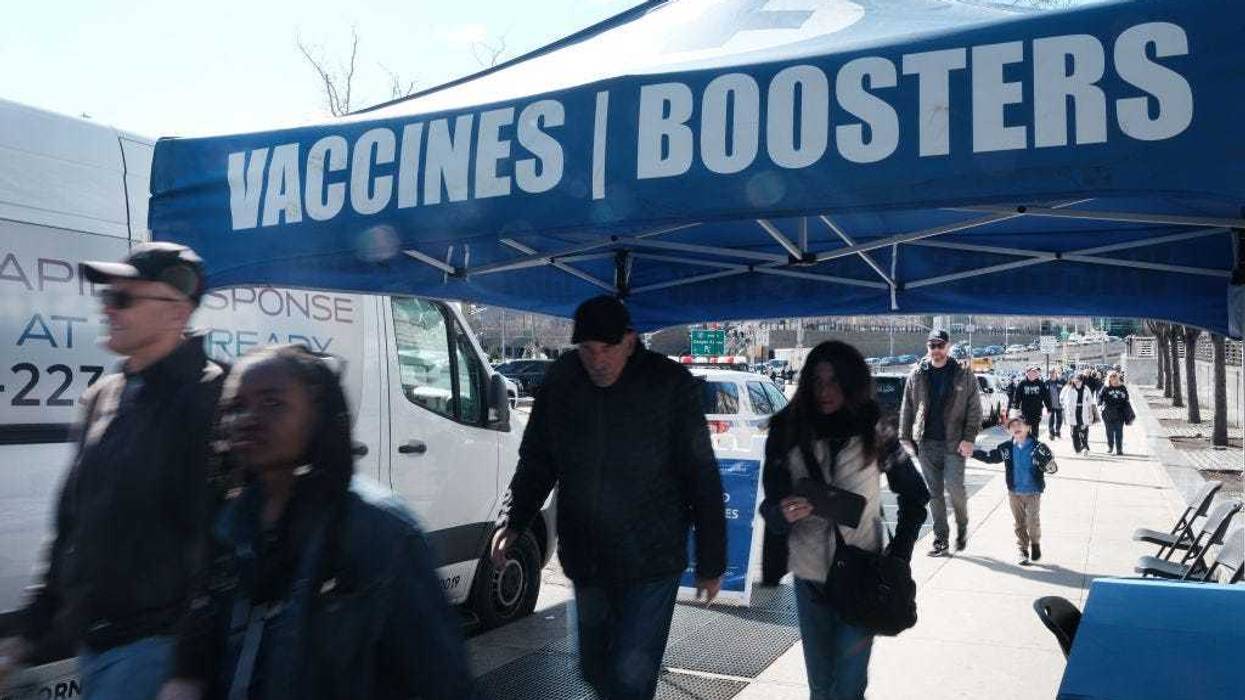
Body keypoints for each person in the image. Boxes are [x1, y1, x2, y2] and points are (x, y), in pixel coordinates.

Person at [163, 345, 472, 699]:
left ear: (317, 414)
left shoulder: (381, 532)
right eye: (236, 407)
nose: (248, 418)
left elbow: (442, 681)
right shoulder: (229, 527)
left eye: (272, 402)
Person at [0, 244, 223, 699]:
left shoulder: (212, 400)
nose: (107, 309)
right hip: (95, 646)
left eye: (124, 299)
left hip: (156, 654)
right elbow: (71, 527)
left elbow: (220, 550)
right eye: (106, 297)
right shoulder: (106, 395)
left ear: (176, 315)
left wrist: (187, 670)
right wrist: (26, 636)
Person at [490, 295, 726, 700]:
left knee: (631, 681)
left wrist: (712, 561)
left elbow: (701, 476)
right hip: (589, 556)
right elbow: (537, 460)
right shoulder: (563, 382)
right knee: (595, 668)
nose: (597, 360)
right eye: (587, 350)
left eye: (607, 349)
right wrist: (515, 520)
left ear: (630, 341)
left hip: (652, 559)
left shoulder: (670, 386)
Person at [760, 341, 929, 700]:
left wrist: (898, 556)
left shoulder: (875, 429)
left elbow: (915, 496)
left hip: (862, 576)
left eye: (835, 381)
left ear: (852, 383)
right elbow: (770, 508)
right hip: (810, 581)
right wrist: (782, 514)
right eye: (818, 381)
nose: (826, 391)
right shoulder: (786, 430)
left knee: (849, 688)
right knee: (821, 687)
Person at [899, 330, 983, 556]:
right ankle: (941, 539)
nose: (936, 350)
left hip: (954, 444)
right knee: (934, 494)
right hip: (927, 444)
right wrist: (905, 437)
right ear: (928, 347)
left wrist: (968, 439)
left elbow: (974, 410)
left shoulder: (964, 374)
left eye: (940, 345)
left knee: (955, 490)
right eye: (932, 345)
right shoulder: (917, 373)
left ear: (948, 346)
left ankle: (962, 526)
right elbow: (907, 406)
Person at [973, 416, 1057, 566]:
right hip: (1015, 493)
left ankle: (1035, 543)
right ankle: (1023, 550)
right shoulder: (1006, 448)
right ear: (1008, 430)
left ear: (1028, 427)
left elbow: (1051, 467)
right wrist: (973, 452)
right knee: (1019, 523)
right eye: (1012, 426)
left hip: (1033, 492)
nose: (1016, 427)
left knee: (1032, 522)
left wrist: (1050, 465)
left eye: (1020, 424)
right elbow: (990, 457)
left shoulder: (1038, 447)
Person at [1097, 370, 1135, 456]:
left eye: (1115, 377)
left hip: (1119, 412)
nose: (1113, 379)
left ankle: (1119, 449)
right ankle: (1110, 446)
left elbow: (1126, 398)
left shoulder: (1122, 387)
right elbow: (1100, 396)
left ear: (1117, 378)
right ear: (1109, 379)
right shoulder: (1106, 387)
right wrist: (1099, 405)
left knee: (1119, 431)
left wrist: (1126, 404)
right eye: (1111, 377)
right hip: (1108, 412)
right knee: (1109, 431)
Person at [1008, 365, 1051, 437]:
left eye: (1034, 372)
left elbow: (1046, 397)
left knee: (1035, 431)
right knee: (1025, 430)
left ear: (1036, 374)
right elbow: (1017, 396)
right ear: (1027, 373)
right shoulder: (1022, 383)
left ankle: (1034, 444)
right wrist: (1015, 407)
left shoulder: (1041, 384)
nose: (1032, 374)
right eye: (1030, 372)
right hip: (1025, 411)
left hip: (1036, 411)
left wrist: (1049, 408)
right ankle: (1026, 444)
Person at [1060, 373, 1098, 455]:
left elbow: (1090, 401)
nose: (1077, 382)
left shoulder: (1086, 389)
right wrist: (1066, 410)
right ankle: (1077, 448)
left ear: (1082, 381)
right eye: (1076, 381)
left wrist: (1090, 412)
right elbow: (1065, 401)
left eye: (1079, 381)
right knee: (1074, 431)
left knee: (1084, 429)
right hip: (1073, 412)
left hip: (1083, 411)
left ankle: (1084, 446)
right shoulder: (1070, 389)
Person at [1045, 369, 1066, 440]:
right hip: (1050, 405)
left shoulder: (1061, 381)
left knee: (1059, 419)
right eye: (1050, 373)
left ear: (1056, 374)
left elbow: (1066, 390)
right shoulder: (1047, 382)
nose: (1052, 375)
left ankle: (1058, 431)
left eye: (1053, 373)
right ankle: (1051, 433)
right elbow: (1044, 394)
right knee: (1051, 419)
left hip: (1059, 404)